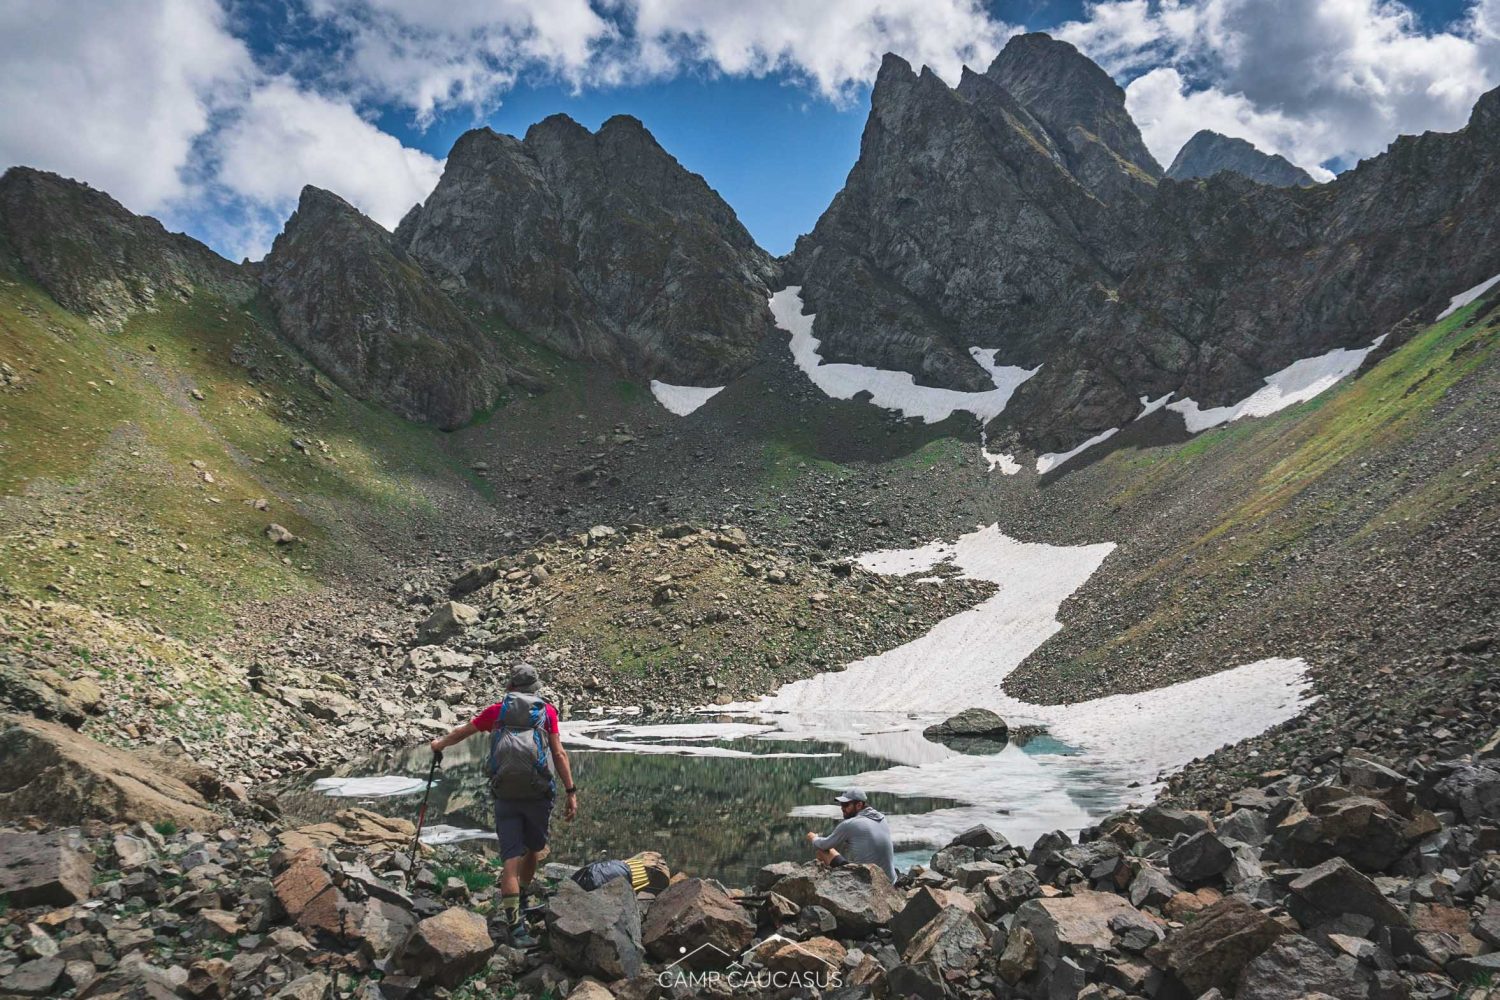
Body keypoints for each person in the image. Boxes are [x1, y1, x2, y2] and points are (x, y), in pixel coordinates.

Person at [430, 664, 577, 946]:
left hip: (505, 793)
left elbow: (462, 733)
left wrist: (439, 745)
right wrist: (571, 791)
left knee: (510, 859)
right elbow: (558, 753)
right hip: (538, 793)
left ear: (511, 687)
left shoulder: (497, 711)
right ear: (535, 688)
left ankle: (514, 925)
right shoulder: (546, 712)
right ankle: (522, 896)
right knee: (534, 849)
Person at [805, 788, 896, 883]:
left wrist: (813, 838)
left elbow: (824, 845)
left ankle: (824, 885)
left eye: (845, 804)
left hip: (868, 884)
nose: (842, 808)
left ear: (859, 805)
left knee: (822, 851)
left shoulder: (851, 824)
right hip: (891, 880)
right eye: (841, 804)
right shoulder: (881, 818)